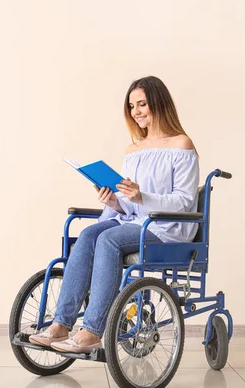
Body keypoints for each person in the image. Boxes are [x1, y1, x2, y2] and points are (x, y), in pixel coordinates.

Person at [29, 76, 200, 353]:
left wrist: (141, 196)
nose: (137, 112)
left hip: (166, 227)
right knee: (87, 234)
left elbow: (184, 201)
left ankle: (92, 331)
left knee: (108, 239)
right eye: (132, 106)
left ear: (159, 103)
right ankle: (60, 325)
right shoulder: (133, 150)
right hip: (133, 222)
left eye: (142, 104)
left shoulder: (181, 145)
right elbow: (131, 205)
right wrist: (116, 202)